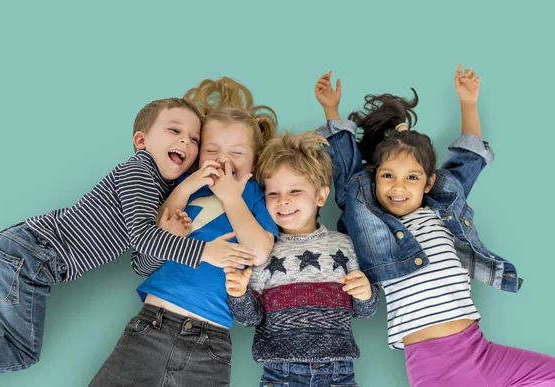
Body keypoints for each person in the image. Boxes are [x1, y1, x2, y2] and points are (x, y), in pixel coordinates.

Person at [0, 97, 256, 375]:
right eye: (174, 130)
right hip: (32, 255)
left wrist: (167, 233)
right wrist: (204, 252)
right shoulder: (140, 170)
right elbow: (142, 238)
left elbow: (141, 264)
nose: (184, 141)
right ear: (141, 140)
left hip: (15, 251)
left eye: (194, 139)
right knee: (22, 351)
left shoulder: (160, 192)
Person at [314, 65, 555, 386]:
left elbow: (468, 159)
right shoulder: (367, 212)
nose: (399, 187)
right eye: (388, 177)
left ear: (428, 183)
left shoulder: (443, 202)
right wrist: (331, 109)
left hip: (480, 349)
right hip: (433, 364)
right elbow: (347, 174)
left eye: (411, 178)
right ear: (374, 178)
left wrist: (468, 103)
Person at [89, 77, 278, 387]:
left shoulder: (256, 196)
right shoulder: (186, 187)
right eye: (212, 150)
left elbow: (258, 252)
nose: (223, 160)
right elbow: (156, 228)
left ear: (255, 162)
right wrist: (190, 183)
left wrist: (232, 195)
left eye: (237, 153)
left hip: (211, 342)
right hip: (152, 323)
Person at [226, 131, 379, 387]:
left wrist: (366, 294)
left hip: (338, 372)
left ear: (320, 196)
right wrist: (239, 295)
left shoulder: (344, 246)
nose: (283, 200)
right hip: (280, 372)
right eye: (272, 194)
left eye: (295, 190)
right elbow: (249, 319)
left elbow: (364, 312)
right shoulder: (262, 250)